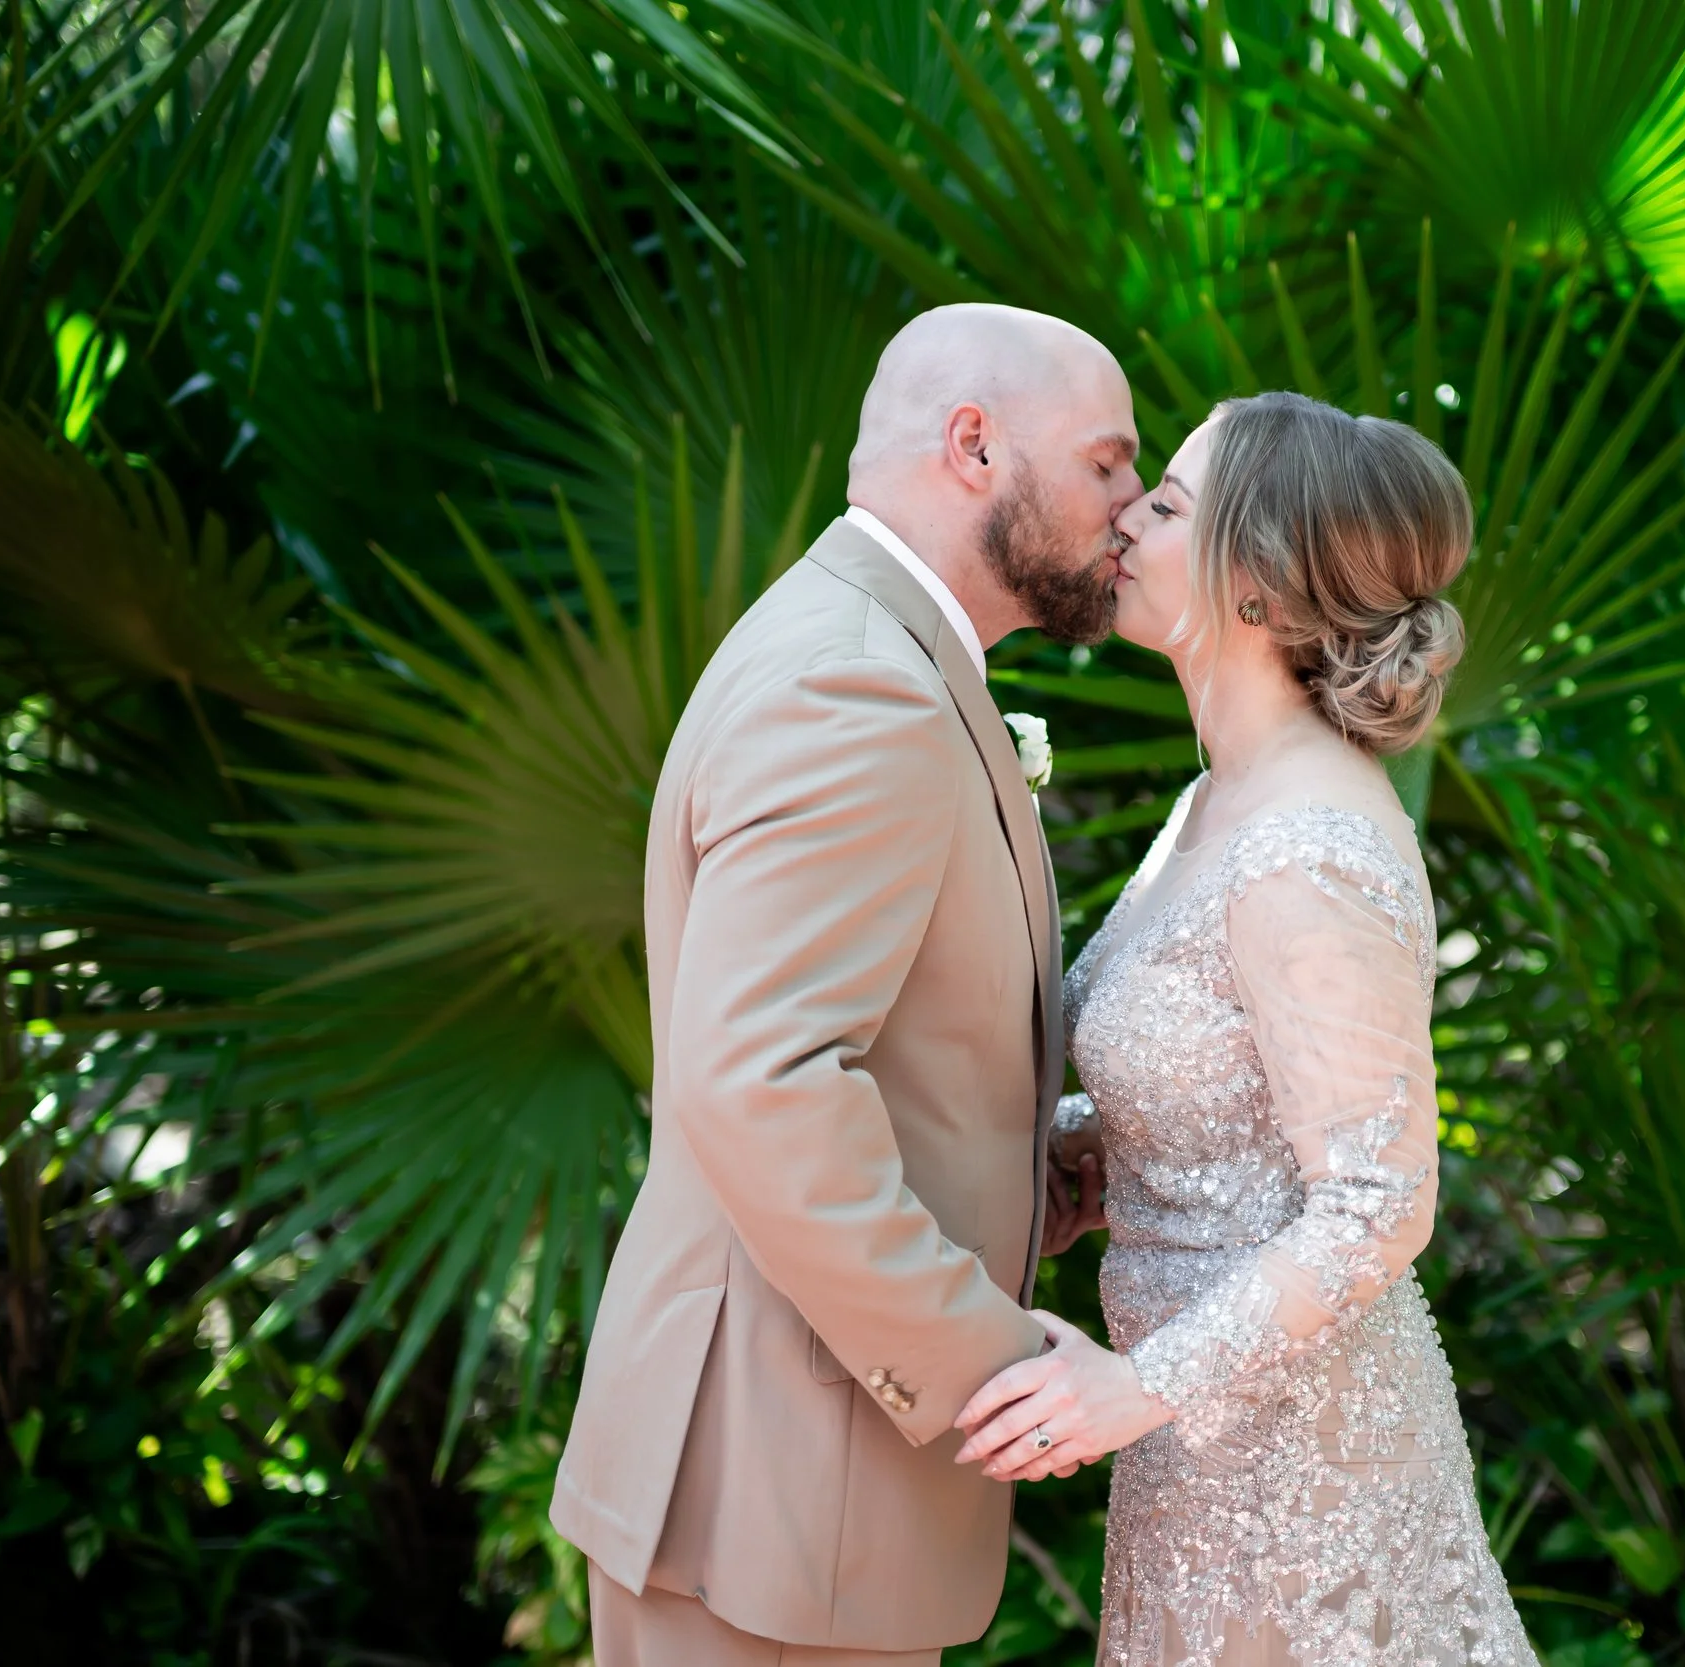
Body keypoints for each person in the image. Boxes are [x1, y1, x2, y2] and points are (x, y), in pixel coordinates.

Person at [550, 302, 1139, 1666]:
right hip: (772, 1497)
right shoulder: (854, 683)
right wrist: (994, 1366)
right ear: (976, 445)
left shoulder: (883, 656)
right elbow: (763, 1082)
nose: (1134, 501)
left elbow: (862, 1049)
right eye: (1108, 461)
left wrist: (1027, 1165)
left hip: (792, 1496)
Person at [951, 392, 1541, 1665]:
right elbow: (1228, 1113)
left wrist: (1135, 1385)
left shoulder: (1304, 843)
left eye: (1164, 504)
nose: (1124, 519)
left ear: (1260, 587)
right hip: (1201, 1454)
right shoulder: (1220, 795)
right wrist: (1067, 1161)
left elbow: (1379, 1201)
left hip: (1302, 1470)